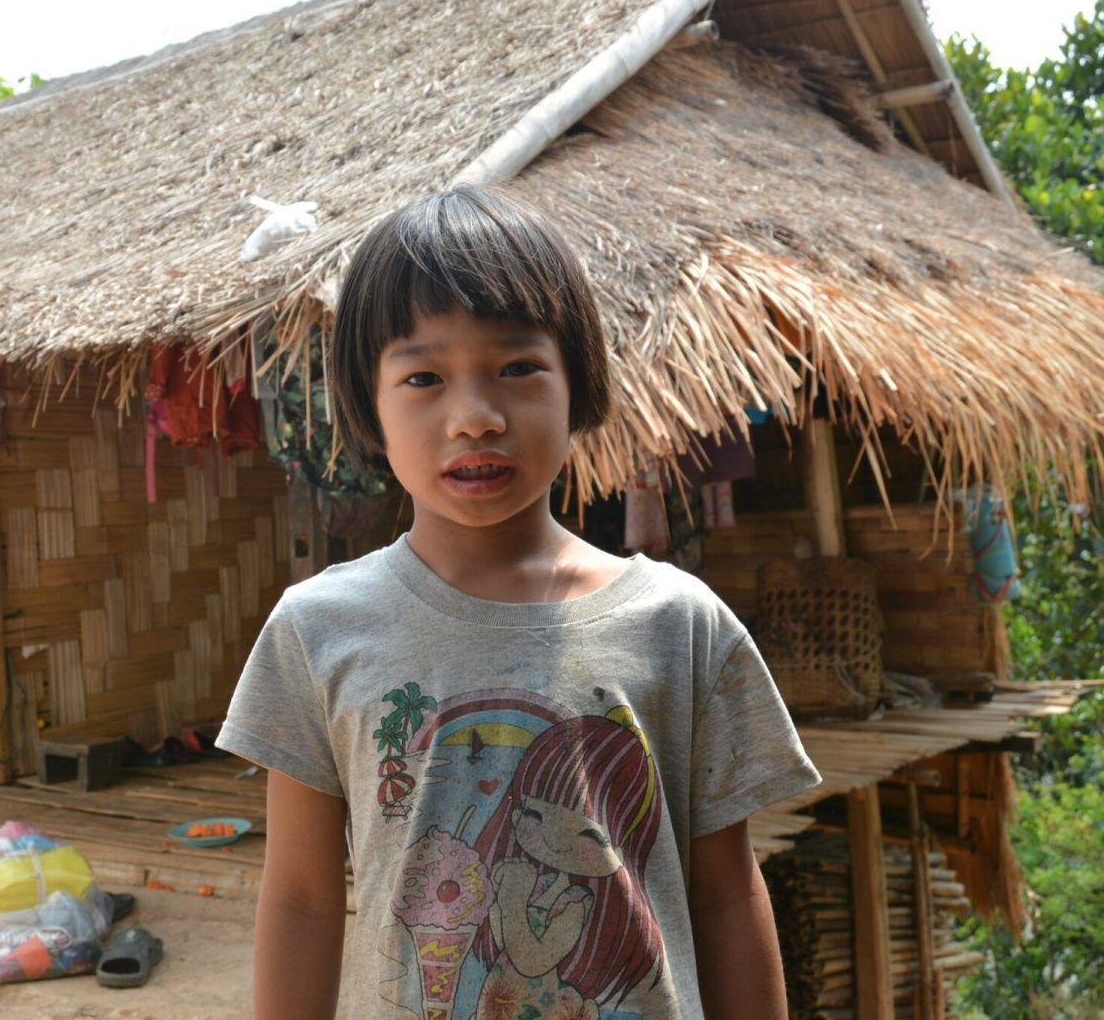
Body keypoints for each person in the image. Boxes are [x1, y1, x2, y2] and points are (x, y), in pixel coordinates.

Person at [218, 187, 822, 1019]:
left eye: (517, 367)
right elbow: (300, 899)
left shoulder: (681, 627)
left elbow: (724, 895)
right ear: (370, 405)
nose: (474, 416)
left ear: (581, 382)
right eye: (424, 376)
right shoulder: (318, 631)